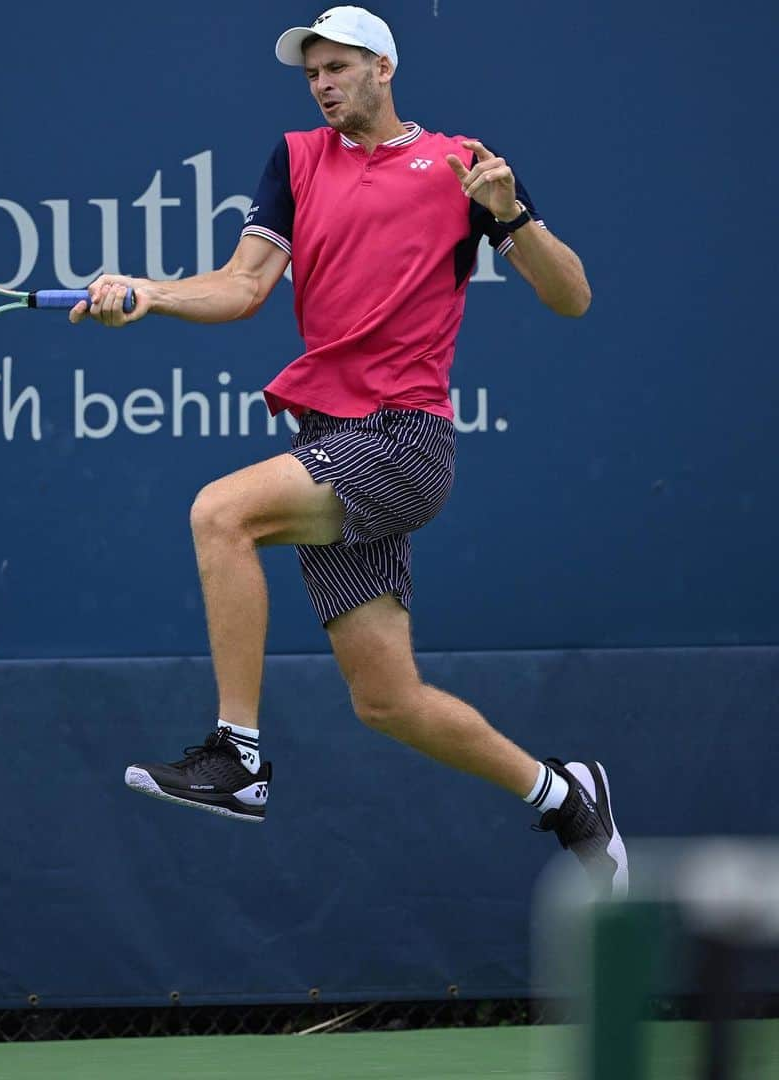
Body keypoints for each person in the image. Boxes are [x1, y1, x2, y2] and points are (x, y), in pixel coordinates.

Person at [71, 5, 627, 898]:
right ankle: (564, 795)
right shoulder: (295, 161)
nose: (322, 84)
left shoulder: (460, 165)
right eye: (311, 73)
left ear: (382, 68)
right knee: (386, 701)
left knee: (222, 512)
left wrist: (511, 215)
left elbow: (573, 299)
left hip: (402, 440)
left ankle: (238, 756)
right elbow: (243, 285)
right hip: (329, 439)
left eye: (336, 67)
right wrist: (149, 292)